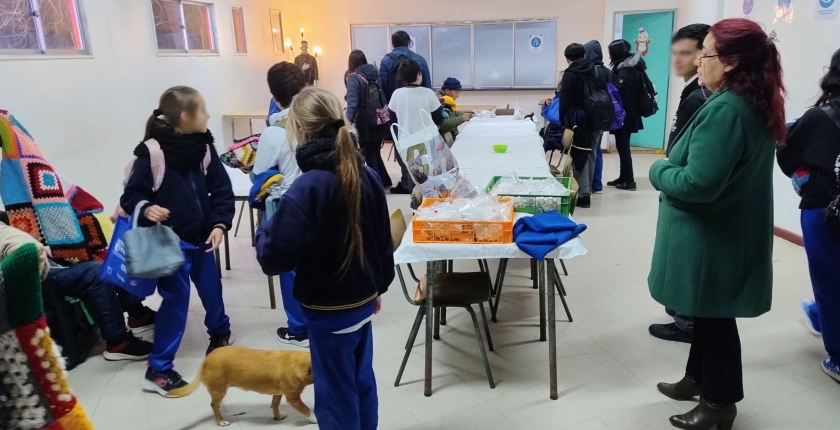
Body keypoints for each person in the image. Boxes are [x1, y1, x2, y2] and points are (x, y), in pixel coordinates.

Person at [649, 19, 785, 429]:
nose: (697, 62)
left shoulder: (727, 109)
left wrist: (658, 170)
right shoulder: (751, 98)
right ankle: (697, 379)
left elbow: (698, 182)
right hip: (729, 228)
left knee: (716, 319)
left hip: (715, 235)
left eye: (704, 54)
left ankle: (720, 404)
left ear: (730, 62)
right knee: (707, 313)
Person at [255, 87, 395, 430]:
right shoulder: (368, 175)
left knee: (334, 392)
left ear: (299, 132)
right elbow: (382, 242)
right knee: (361, 380)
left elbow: (272, 257)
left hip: (329, 312)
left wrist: (264, 227)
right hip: (363, 302)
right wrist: (377, 288)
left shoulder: (307, 188)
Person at [121, 85, 235, 396]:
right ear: (184, 117)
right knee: (175, 301)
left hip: (203, 240)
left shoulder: (205, 149)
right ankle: (158, 370)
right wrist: (147, 208)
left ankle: (221, 335)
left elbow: (222, 191)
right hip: (170, 245)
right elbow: (131, 196)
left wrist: (220, 224)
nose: (208, 114)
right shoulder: (153, 153)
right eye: (202, 109)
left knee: (212, 291)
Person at [0, 214, 155, 361]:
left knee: (105, 259)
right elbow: (28, 253)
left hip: (48, 267)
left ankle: (137, 314)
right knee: (94, 272)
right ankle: (118, 342)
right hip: (43, 278)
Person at [778, 47, 840, 382]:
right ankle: (819, 315)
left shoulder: (821, 116)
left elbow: (788, 155)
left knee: (830, 279)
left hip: (826, 209)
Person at [648, 23, 712, 344]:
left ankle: (688, 323)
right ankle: (680, 311)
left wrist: (666, 173)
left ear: (705, 54)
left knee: (688, 256)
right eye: (675, 52)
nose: (677, 59)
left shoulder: (702, 97)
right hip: (677, 184)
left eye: (686, 52)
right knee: (677, 252)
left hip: (686, 187)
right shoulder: (693, 90)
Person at [252, 62, 310, 348]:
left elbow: (259, 172)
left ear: (274, 97)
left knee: (290, 266)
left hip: (289, 203)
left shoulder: (273, 133)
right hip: (322, 199)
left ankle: (299, 328)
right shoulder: (320, 120)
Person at [387, 58, 445, 195]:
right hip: (427, 141)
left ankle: (416, 207)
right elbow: (439, 119)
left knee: (413, 176)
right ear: (419, 74)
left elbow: (392, 118)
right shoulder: (428, 93)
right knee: (431, 174)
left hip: (406, 143)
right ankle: (432, 204)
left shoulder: (396, 94)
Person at [560, 43, 604, 209]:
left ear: (567, 58)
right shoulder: (597, 70)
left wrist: (564, 122)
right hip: (598, 118)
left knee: (579, 154)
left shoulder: (570, 74)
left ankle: (583, 195)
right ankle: (589, 188)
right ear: (583, 55)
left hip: (579, 121)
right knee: (591, 152)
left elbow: (565, 101)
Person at [346, 50, 393, 188]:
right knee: (376, 153)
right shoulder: (374, 73)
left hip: (365, 122)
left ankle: (377, 187)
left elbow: (352, 104)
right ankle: (385, 181)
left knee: (370, 157)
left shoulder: (354, 77)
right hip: (379, 119)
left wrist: (347, 122)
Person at [608, 39, 647, 191]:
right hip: (629, 112)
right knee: (622, 146)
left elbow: (619, 93)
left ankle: (629, 181)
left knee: (623, 147)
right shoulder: (629, 64)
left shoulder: (627, 69)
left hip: (626, 114)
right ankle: (623, 177)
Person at [584, 40, 611, 194]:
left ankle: (586, 185)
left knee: (587, 150)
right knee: (596, 150)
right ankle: (597, 184)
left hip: (589, 115)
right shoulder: (607, 71)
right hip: (604, 115)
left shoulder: (587, 71)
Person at [379, 30, 431, 99]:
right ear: (409, 43)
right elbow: (427, 86)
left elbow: (382, 87)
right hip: (417, 103)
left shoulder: (386, 61)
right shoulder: (420, 60)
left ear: (393, 44)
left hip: (395, 104)